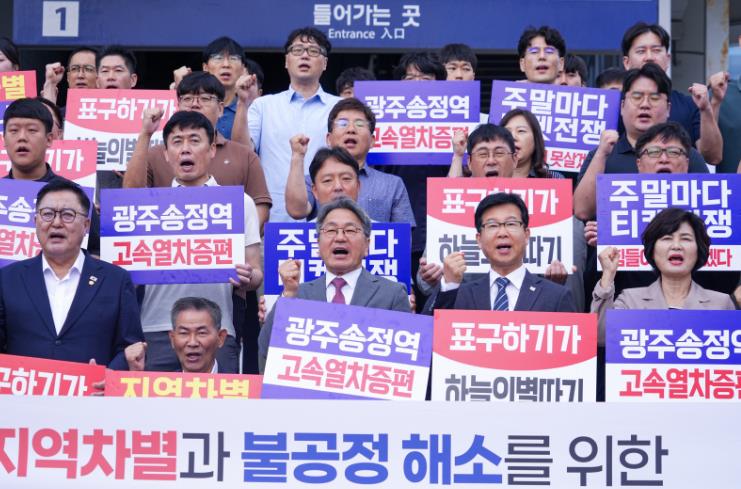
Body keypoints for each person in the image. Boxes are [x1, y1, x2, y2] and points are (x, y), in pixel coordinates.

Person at [137, 111, 263, 374]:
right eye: (177, 141)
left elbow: (256, 274)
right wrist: (145, 134)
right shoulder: (147, 207)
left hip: (216, 331)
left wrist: (247, 276)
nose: (185, 149)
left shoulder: (239, 204)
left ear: (212, 149)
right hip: (155, 329)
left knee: (219, 402)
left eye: (194, 140)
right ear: (166, 153)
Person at [0, 180, 144, 369]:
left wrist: (107, 375)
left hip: (94, 388)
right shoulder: (7, 279)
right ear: (35, 222)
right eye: (47, 214)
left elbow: (130, 347)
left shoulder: (116, 280)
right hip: (24, 386)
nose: (56, 223)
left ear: (86, 225)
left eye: (68, 215)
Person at [258, 198, 410, 362]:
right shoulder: (297, 294)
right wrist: (288, 296)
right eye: (330, 230)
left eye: (350, 230)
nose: (340, 238)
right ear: (318, 246)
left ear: (367, 246)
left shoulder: (392, 294)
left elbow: (405, 359)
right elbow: (267, 351)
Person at [123, 71, 271, 229]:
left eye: (205, 98)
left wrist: (233, 237)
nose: (194, 104)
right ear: (178, 105)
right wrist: (145, 133)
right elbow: (130, 199)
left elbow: (259, 208)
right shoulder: (156, 154)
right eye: (187, 98)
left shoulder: (244, 155)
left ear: (221, 109)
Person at [574, 63, 708, 221]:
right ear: (622, 106)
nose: (645, 105)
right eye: (637, 97)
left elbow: (708, 213)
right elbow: (582, 211)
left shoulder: (687, 155)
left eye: (654, 98)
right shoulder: (601, 155)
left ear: (668, 108)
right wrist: (602, 154)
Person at [248, 27, 341, 223]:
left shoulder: (341, 107)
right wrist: (242, 104)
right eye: (297, 50)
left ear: (325, 63)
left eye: (313, 51)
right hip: (273, 219)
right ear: (286, 61)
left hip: (328, 221)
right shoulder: (263, 105)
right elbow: (244, 151)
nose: (305, 55)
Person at [431, 192, 576, 312]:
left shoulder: (556, 296)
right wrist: (450, 285)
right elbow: (431, 331)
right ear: (479, 239)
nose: (502, 233)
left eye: (511, 224)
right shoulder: (458, 293)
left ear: (526, 235)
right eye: (492, 225)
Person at [285, 97, 414, 225]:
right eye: (342, 124)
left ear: (372, 141)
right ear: (329, 139)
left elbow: (403, 234)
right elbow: (296, 211)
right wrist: (297, 156)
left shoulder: (392, 184)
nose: (351, 129)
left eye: (359, 124)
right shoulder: (312, 180)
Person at [593, 207, 735, 323]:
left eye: (686, 239)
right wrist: (608, 275)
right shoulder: (630, 300)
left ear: (699, 249)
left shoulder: (721, 304)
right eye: (667, 238)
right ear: (653, 250)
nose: (676, 246)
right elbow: (600, 336)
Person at [2, 98, 100, 255]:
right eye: (14, 130)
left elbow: (96, 252)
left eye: (32, 130)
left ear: (49, 139)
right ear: (4, 139)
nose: (22, 137)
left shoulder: (76, 195)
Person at [621, 22, 723, 165]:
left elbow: (713, 157)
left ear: (668, 59)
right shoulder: (610, 105)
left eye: (656, 50)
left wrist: (707, 109)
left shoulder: (690, 105)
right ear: (626, 62)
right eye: (641, 51)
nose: (649, 57)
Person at [169, 297, 228, 374]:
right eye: (184, 333)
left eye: (202, 333)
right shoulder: (158, 382)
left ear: (220, 337)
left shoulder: (237, 381)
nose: (192, 343)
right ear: (172, 339)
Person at [501, 108, 565, 178]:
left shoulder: (554, 179)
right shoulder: (492, 177)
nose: (513, 137)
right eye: (507, 132)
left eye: (521, 131)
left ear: (535, 139)